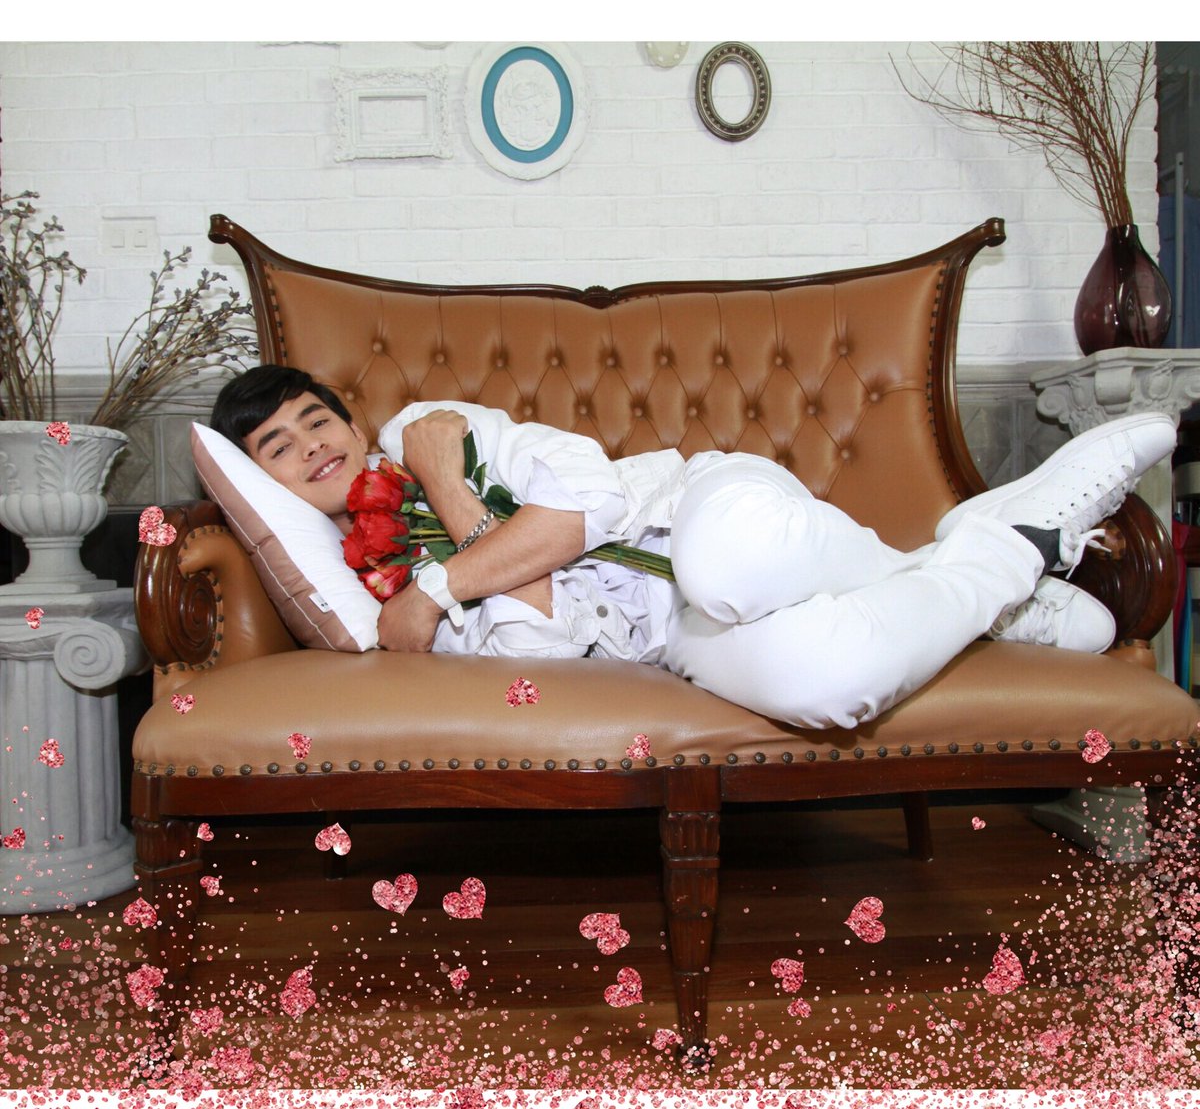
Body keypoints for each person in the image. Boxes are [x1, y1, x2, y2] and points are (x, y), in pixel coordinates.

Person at [209, 365, 1177, 732]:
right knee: (824, 686)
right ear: (265, 485)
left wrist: (446, 532)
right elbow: (541, 645)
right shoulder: (365, 595)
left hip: (690, 509)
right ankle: (1001, 560)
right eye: (278, 449)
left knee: (730, 565)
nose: (312, 447)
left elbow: (590, 498)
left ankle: (964, 572)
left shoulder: (428, 435)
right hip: (666, 639)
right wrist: (433, 586)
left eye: (315, 419)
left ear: (351, 419)